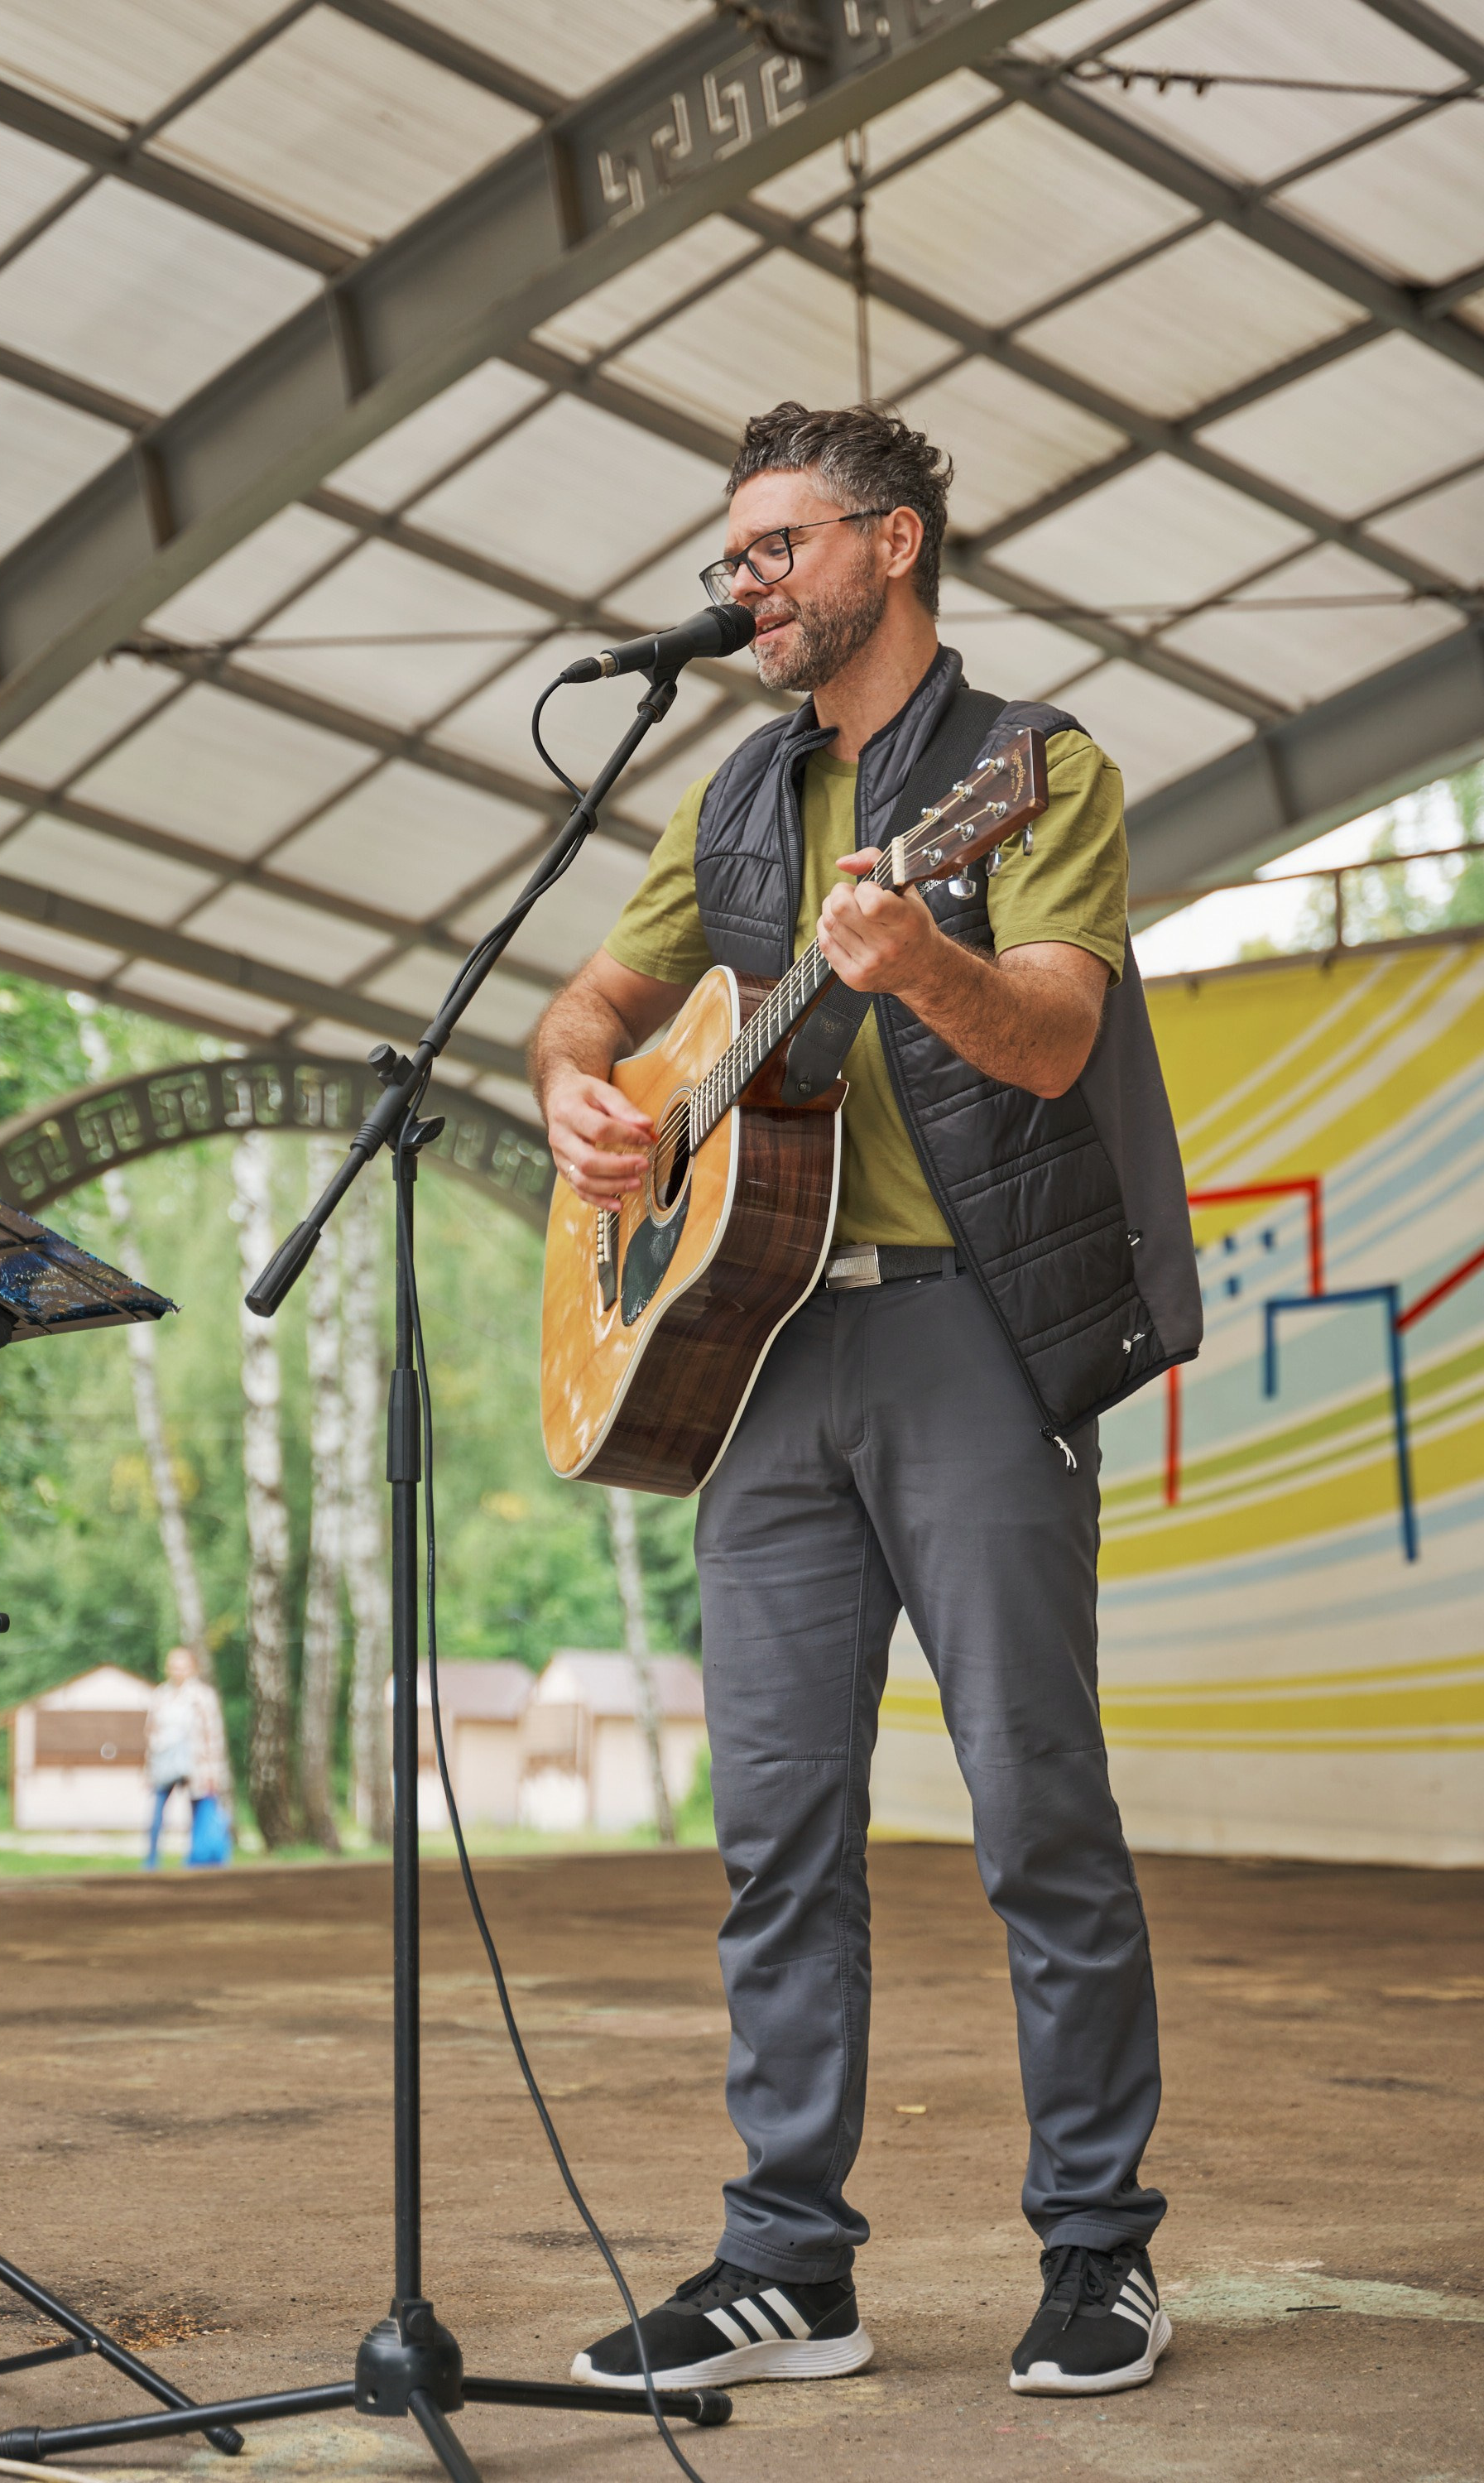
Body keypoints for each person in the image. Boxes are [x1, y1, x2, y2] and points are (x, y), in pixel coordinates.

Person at [531, 402, 1202, 2401]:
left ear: (888, 546)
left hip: (966, 1333)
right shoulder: (729, 793)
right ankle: (784, 2259)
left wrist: (916, 964)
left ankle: (1093, 2246)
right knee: (776, 1831)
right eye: (731, 552)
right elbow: (597, 1003)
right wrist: (581, 1091)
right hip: (753, 1353)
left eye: (773, 548)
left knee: (1031, 1809)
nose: (740, 582)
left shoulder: (1030, 769)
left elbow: (1057, 1031)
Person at [143, 1644, 232, 1870]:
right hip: (165, 1764)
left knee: (199, 1810)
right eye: (173, 1665)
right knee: (157, 1813)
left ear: (193, 1668)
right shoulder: (160, 1695)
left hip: (196, 1765)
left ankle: (198, 1857)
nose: (177, 1670)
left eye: (182, 1666)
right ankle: (151, 1860)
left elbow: (213, 1735)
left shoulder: (202, 1696)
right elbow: (151, 1732)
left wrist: (214, 1771)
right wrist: (148, 1767)